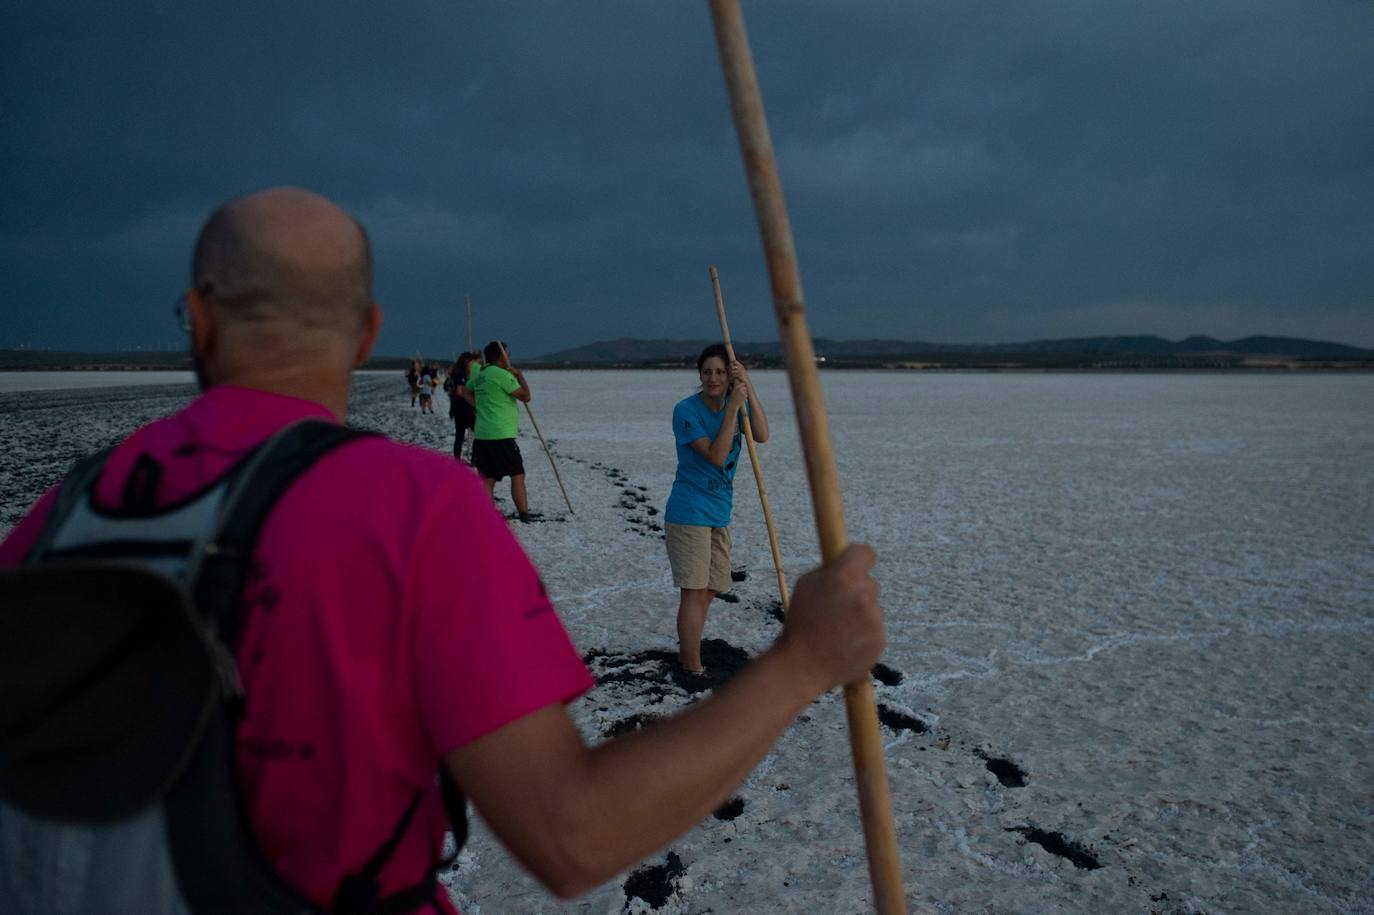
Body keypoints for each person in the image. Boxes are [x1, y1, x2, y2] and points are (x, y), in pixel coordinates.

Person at [0, 187, 884, 912]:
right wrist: (802, 661)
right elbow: (572, 835)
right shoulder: (413, 506)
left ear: (194, 319)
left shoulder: (61, 514)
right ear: (367, 332)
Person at [663, 344, 770, 674]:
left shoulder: (736, 403)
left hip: (719, 510)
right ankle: (691, 666)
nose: (713, 378)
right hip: (689, 510)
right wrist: (733, 408)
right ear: (699, 374)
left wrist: (747, 386)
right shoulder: (686, 411)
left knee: (710, 588)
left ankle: (689, 648)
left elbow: (762, 434)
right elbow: (716, 456)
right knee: (693, 592)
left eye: (721, 372)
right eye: (707, 372)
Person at [468, 340, 532, 522]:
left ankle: (486, 514)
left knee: (488, 477)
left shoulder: (481, 374)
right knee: (517, 473)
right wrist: (519, 375)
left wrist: (479, 406)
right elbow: (526, 396)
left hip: (482, 434)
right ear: (500, 357)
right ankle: (524, 513)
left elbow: (466, 391)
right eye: (507, 354)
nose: (509, 357)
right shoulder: (501, 375)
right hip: (500, 434)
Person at [445, 352, 479, 460]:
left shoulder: (455, 373)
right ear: (467, 361)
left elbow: (450, 390)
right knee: (479, 433)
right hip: (464, 408)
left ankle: (457, 460)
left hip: (457, 408)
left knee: (459, 436)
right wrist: (471, 395)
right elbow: (460, 392)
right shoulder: (461, 374)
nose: (472, 364)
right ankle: (474, 458)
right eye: (471, 362)